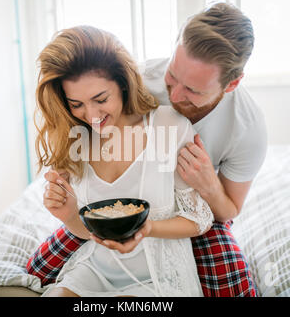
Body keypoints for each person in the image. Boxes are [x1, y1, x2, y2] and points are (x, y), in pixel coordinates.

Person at [27, 2, 266, 296]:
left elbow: (223, 211)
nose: (174, 95)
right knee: (35, 272)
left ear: (231, 85)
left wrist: (208, 185)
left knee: (232, 282)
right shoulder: (133, 79)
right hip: (105, 248)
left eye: (193, 90)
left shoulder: (246, 128)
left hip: (192, 209)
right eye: (173, 76)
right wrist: (68, 205)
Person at [34, 25, 214, 297]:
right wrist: (69, 214)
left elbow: (200, 218)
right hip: (96, 270)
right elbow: (88, 234)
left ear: (122, 82)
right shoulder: (76, 138)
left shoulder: (168, 125)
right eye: (76, 104)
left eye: (100, 99)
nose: (91, 114)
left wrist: (149, 228)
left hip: (159, 277)